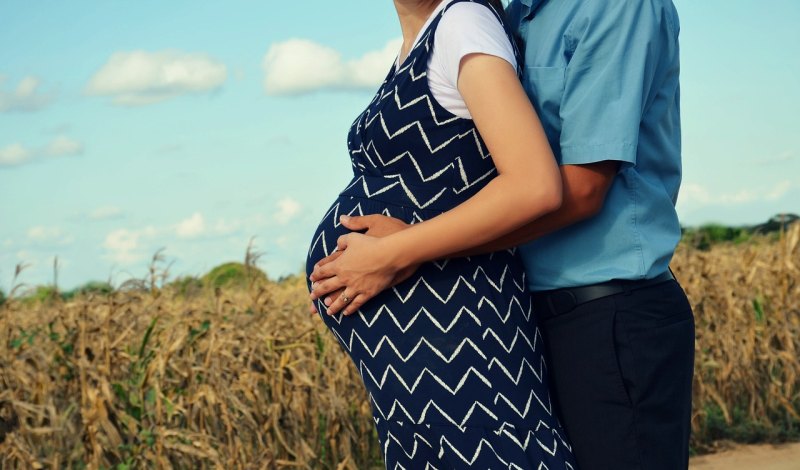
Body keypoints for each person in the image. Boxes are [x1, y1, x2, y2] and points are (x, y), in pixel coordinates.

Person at [311, 0, 696, 469]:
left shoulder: (615, 6)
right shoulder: (516, 16)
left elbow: (580, 188)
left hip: (607, 313)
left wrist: (404, 249)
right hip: (527, 316)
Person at [306, 0, 577, 467]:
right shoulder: (422, 42)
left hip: (457, 331)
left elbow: (535, 185)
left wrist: (390, 252)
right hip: (419, 356)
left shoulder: (462, 23)